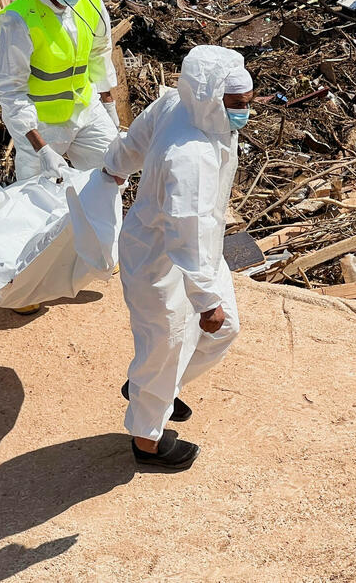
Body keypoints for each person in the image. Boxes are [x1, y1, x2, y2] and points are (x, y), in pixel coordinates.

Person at [103, 45, 255, 471]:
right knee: (165, 345)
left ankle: (148, 389)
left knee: (223, 332)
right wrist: (206, 301)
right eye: (238, 104)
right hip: (158, 258)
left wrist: (116, 166)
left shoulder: (181, 105)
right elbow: (185, 231)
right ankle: (147, 442)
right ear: (212, 98)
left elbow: (136, 139)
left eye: (248, 101)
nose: (247, 111)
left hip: (197, 255)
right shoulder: (192, 155)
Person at [0, 0, 120, 182]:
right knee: (38, 197)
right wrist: (41, 150)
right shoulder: (19, 20)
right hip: (42, 124)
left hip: (84, 108)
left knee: (112, 172)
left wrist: (108, 104)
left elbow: (99, 51)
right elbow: (11, 91)